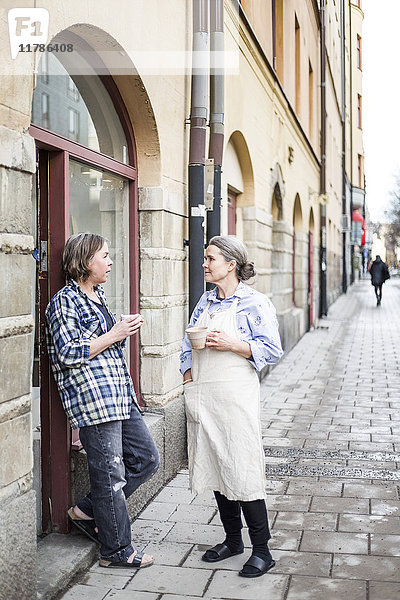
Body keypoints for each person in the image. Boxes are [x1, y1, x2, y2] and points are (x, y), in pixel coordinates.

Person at [46, 232, 160, 569]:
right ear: (85, 261)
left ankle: (85, 511)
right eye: (105, 256)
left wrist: (120, 329)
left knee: (147, 459)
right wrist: (114, 334)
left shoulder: (97, 296)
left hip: (119, 394)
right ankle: (116, 551)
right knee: (111, 478)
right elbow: (68, 352)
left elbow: (102, 347)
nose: (110, 262)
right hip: (95, 400)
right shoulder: (65, 301)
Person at [180, 235, 283, 578]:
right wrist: (188, 375)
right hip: (205, 394)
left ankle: (263, 550)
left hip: (236, 395)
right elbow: (187, 341)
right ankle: (233, 540)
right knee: (216, 464)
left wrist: (232, 344)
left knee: (242, 465)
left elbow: (271, 349)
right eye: (205, 258)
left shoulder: (254, 303)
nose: (205, 264)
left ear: (231, 264)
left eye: (210, 258)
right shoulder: (205, 301)